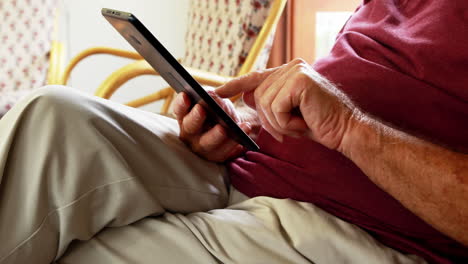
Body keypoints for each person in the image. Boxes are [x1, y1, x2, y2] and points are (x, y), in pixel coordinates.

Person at [0, 0, 467, 263]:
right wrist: (243, 126)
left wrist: (348, 127)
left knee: (71, 254)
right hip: (244, 166)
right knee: (51, 113)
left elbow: (348, 118)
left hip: (354, 227)